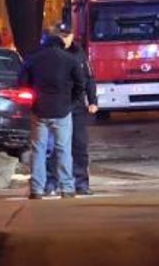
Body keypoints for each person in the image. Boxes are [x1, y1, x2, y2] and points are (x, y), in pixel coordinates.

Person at [19, 25, 86, 200]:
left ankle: (37, 189)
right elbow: (81, 84)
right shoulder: (69, 59)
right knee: (63, 149)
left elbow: (22, 83)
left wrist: (33, 102)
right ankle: (67, 188)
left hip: (39, 110)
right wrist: (71, 102)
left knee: (38, 150)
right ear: (60, 43)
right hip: (63, 110)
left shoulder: (33, 59)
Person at [45, 27, 99, 195]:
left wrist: (92, 100)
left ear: (72, 36)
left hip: (76, 107)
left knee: (79, 146)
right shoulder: (51, 54)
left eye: (66, 36)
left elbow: (89, 79)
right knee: (53, 146)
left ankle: (81, 183)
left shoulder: (79, 54)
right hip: (57, 106)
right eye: (60, 36)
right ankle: (51, 182)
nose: (64, 39)